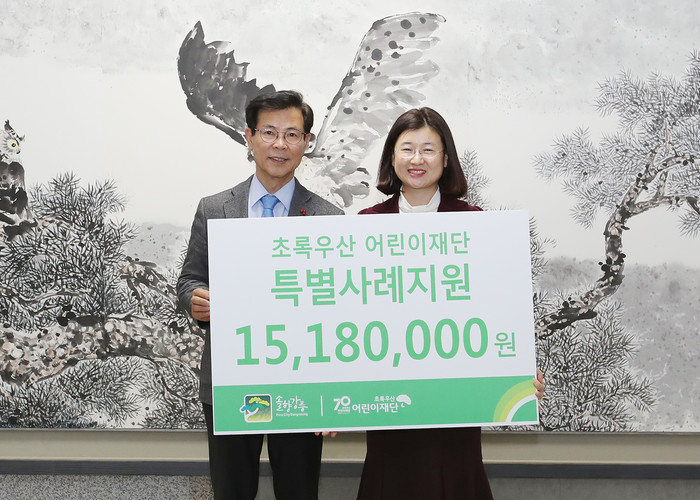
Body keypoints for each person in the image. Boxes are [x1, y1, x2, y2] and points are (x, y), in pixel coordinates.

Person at [356, 107, 545, 500]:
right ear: (392, 157)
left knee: (453, 476)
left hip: (457, 395)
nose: (417, 159)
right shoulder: (366, 222)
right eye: (407, 148)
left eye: (429, 149)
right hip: (391, 392)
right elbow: (351, 311)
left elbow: (496, 306)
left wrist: (517, 370)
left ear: (445, 159)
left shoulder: (475, 222)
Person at [177, 90, 344, 500]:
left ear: (306, 143)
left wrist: (335, 393)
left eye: (292, 134)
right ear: (249, 137)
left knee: (299, 490)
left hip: (302, 381)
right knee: (232, 490)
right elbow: (189, 280)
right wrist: (196, 299)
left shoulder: (328, 217)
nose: (279, 144)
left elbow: (339, 305)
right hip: (232, 377)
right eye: (269, 132)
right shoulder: (215, 208)